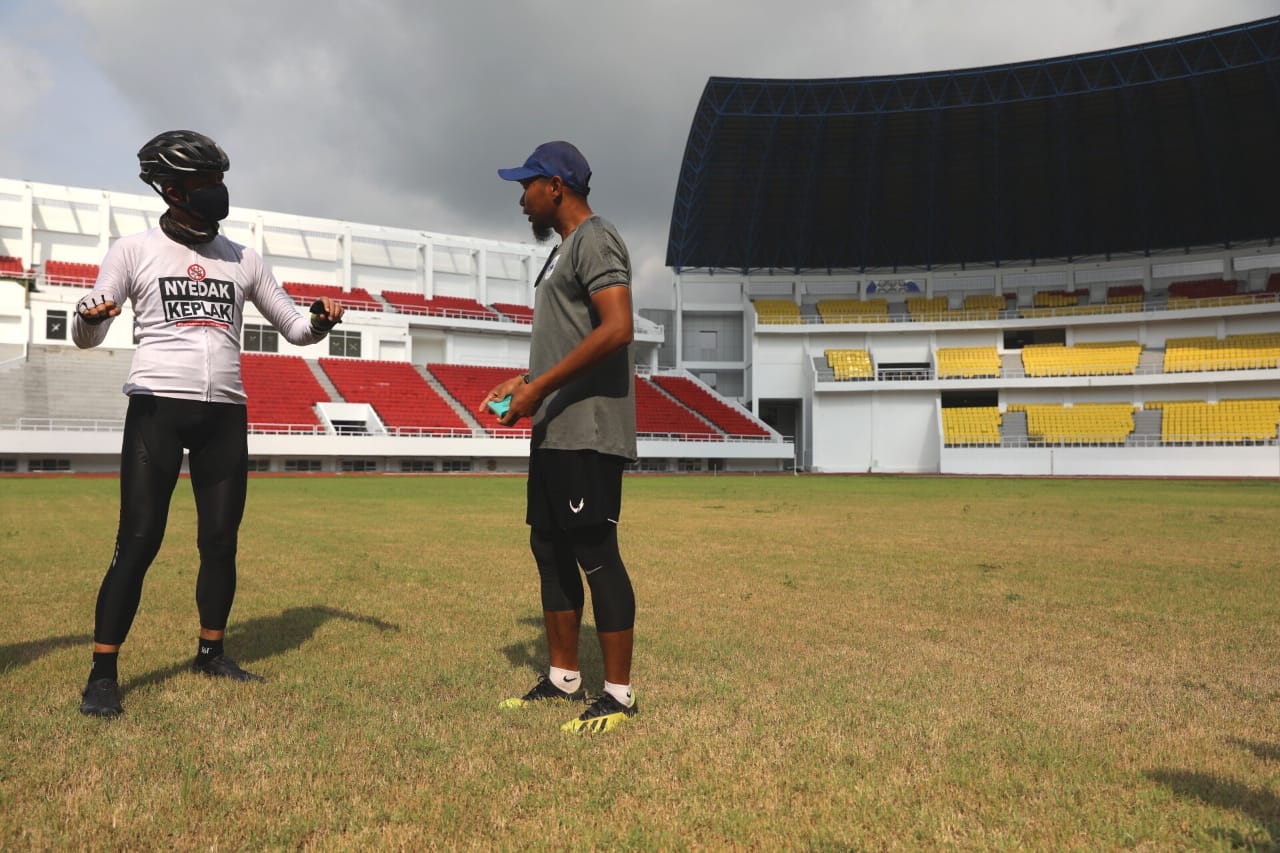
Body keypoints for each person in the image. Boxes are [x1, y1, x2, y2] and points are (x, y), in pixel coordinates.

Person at [74, 130, 345, 718]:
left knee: (220, 542)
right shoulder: (133, 250)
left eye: (220, 182)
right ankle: (102, 672)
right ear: (170, 190)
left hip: (225, 412)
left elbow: (294, 327)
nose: (216, 193)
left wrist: (320, 321)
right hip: (157, 408)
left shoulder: (243, 258)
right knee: (138, 542)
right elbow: (87, 333)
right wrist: (89, 315)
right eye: (203, 185)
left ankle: (211, 652)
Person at [482, 141, 640, 734]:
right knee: (548, 547)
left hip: (588, 430)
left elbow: (618, 328)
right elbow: (571, 338)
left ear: (555, 186)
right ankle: (563, 677)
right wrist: (524, 382)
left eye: (525, 187)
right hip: (555, 428)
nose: (521, 200)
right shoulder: (561, 253)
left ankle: (619, 696)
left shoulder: (596, 237)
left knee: (594, 552)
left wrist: (538, 386)